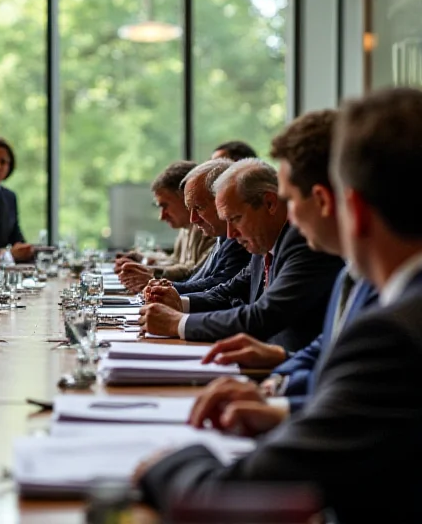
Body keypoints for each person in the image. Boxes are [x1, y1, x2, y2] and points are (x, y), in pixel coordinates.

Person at [134, 86, 422, 524]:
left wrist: (165, 461)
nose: (287, 215)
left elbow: (230, 493)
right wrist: (280, 406)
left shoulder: (393, 333)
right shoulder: (372, 288)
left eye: (289, 200)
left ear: (343, 206)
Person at [187, 110, 380, 432]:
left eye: (289, 200)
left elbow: (358, 413)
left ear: (322, 200)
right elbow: (326, 349)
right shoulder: (357, 275)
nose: (290, 216)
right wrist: (276, 387)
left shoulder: (397, 301)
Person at [140, 158, 342, 352]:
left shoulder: (303, 243)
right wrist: (180, 302)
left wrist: (178, 323)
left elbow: (264, 315)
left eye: (235, 218)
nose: (230, 234)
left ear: (270, 203)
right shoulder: (262, 243)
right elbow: (229, 291)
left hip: (284, 371)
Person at [144, 158, 250, 296]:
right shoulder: (221, 235)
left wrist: (167, 289)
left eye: (198, 207)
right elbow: (201, 278)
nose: (193, 219)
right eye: (190, 208)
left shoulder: (236, 237)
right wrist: (163, 287)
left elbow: (223, 288)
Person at [117, 161, 216, 292]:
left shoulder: (211, 227)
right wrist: (143, 259)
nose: (161, 216)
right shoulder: (186, 228)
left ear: (185, 198)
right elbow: (176, 261)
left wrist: (152, 273)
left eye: (165, 206)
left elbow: (195, 273)